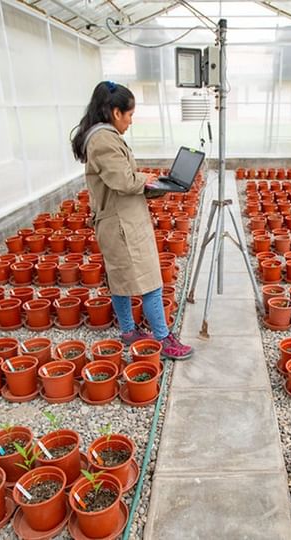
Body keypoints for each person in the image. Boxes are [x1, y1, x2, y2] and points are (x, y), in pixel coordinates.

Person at [70, 81, 193, 361]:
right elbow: (124, 181)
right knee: (150, 280)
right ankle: (163, 339)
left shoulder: (103, 136)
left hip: (119, 220)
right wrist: (148, 180)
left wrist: (156, 185)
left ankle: (128, 331)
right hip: (121, 224)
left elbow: (121, 182)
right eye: (129, 115)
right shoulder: (103, 140)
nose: (131, 121)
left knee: (121, 279)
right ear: (115, 112)